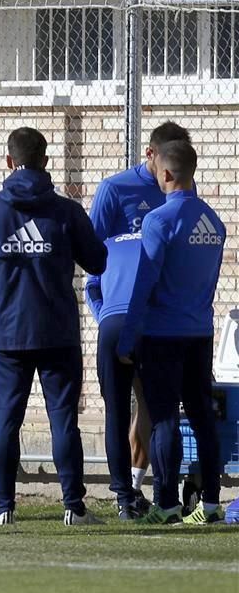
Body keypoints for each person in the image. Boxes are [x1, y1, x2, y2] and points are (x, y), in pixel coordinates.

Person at [0, 127, 108, 526]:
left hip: (9, 333)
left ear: (9, 161)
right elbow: (98, 261)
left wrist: (3, 267)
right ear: (46, 161)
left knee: (7, 418)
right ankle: (73, 507)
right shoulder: (67, 211)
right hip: (57, 330)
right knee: (63, 418)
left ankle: (4, 507)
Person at [116, 139, 227, 525]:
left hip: (163, 333)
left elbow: (145, 283)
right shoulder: (214, 222)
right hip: (200, 332)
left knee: (163, 418)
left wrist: (127, 337)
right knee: (201, 416)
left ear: (164, 173)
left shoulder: (159, 221)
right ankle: (211, 504)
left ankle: (166, 504)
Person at [91, 121, 193, 511]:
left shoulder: (180, 189)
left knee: (154, 406)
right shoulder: (115, 190)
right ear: (151, 155)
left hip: (161, 321)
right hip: (119, 316)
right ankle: (124, 495)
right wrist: (103, 311)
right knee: (119, 407)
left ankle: (142, 488)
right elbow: (94, 256)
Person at [85, 232, 149, 519]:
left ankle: (125, 500)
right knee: (158, 411)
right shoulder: (155, 239)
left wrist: (105, 317)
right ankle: (162, 497)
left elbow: (91, 288)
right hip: (149, 325)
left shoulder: (108, 245)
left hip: (111, 327)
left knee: (116, 413)